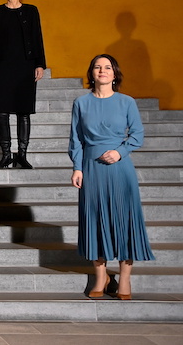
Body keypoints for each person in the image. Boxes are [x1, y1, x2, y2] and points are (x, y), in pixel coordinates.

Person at [70, 54, 154, 300]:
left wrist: (119, 152)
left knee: (125, 220)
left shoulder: (126, 102)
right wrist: (77, 167)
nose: (102, 71)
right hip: (91, 166)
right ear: (91, 73)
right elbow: (76, 139)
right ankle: (101, 276)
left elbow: (137, 134)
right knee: (95, 220)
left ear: (114, 74)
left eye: (107, 67)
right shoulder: (81, 102)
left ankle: (125, 278)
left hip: (120, 168)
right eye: (97, 67)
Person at [0, 0, 46, 169]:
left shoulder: (31, 11)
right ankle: (5, 155)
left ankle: (22, 155)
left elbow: (37, 37)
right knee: (1, 112)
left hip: (25, 66)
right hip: (1, 66)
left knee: (24, 112)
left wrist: (40, 64)